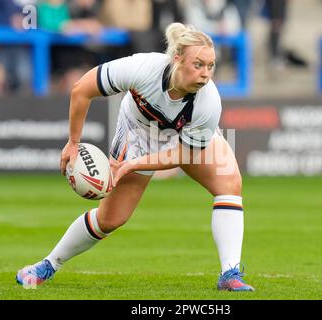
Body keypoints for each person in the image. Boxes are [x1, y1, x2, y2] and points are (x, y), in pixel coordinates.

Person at [15, 22, 255, 292]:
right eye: (198, 64)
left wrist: (134, 165)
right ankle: (48, 265)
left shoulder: (208, 102)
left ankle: (230, 272)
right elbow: (81, 90)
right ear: (177, 59)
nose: (205, 74)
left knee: (229, 183)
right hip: (137, 132)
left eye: (210, 66)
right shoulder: (143, 68)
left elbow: (184, 154)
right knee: (110, 219)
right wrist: (73, 142)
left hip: (183, 138)